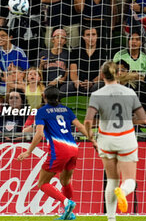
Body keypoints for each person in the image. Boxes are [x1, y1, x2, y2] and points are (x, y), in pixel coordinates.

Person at [18, 86, 93, 220]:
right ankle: (68, 214)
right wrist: (93, 140)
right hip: (73, 148)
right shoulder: (66, 110)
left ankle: (66, 203)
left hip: (59, 150)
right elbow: (80, 126)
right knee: (65, 181)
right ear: (58, 97)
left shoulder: (42, 112)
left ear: (44, 96)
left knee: (42, 183)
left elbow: (39, 133)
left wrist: (29, 151)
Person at [84, 61, 146, 221]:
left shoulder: (97, 94)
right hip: (126, 138)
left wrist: (91, 137)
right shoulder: (129, 92)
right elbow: (143, 119)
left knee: (111, 180)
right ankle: (123, 192)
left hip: (106, 139)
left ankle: (111, 218)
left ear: (103, 75)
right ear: (117, 74)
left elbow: (88, 121)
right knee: (129, 180)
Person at [60, 25, 106, 95]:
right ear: (83, 37)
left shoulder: (103, 52)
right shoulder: (76, 52)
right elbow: (73, 72)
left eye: (93, 34)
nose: (91, 38)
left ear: (97, 36)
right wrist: (77, 81)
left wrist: (92, 82)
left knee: (99, 86)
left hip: (95, 83)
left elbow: (102, 74)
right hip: (79, 83)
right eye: (88, 35)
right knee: (64, 89)